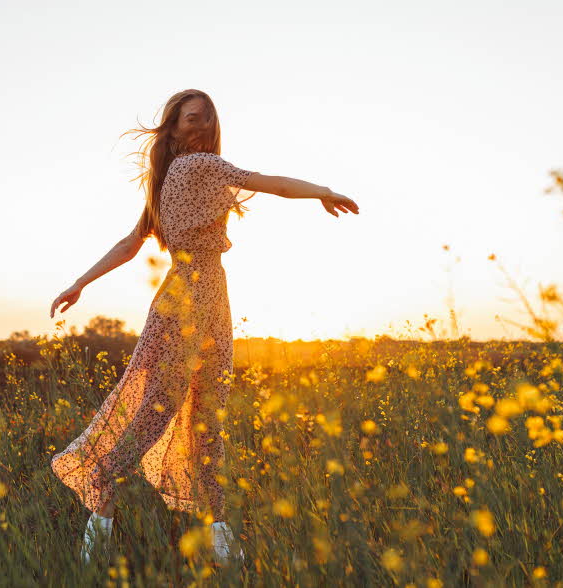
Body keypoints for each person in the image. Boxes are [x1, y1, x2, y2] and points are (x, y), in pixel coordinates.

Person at [49, 89, 359, 566]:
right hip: (190, 298)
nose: (202, 126)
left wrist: (80, 283)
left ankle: (218, 536)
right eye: (191, 119)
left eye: (207, 119)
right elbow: (272, 184)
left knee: (204, 416)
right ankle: (103, 500)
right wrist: (323, 190)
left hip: (202, 295)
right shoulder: (200, 166)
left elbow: (131, 244)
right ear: (173, 127)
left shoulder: (175, 175)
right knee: (164, 408)